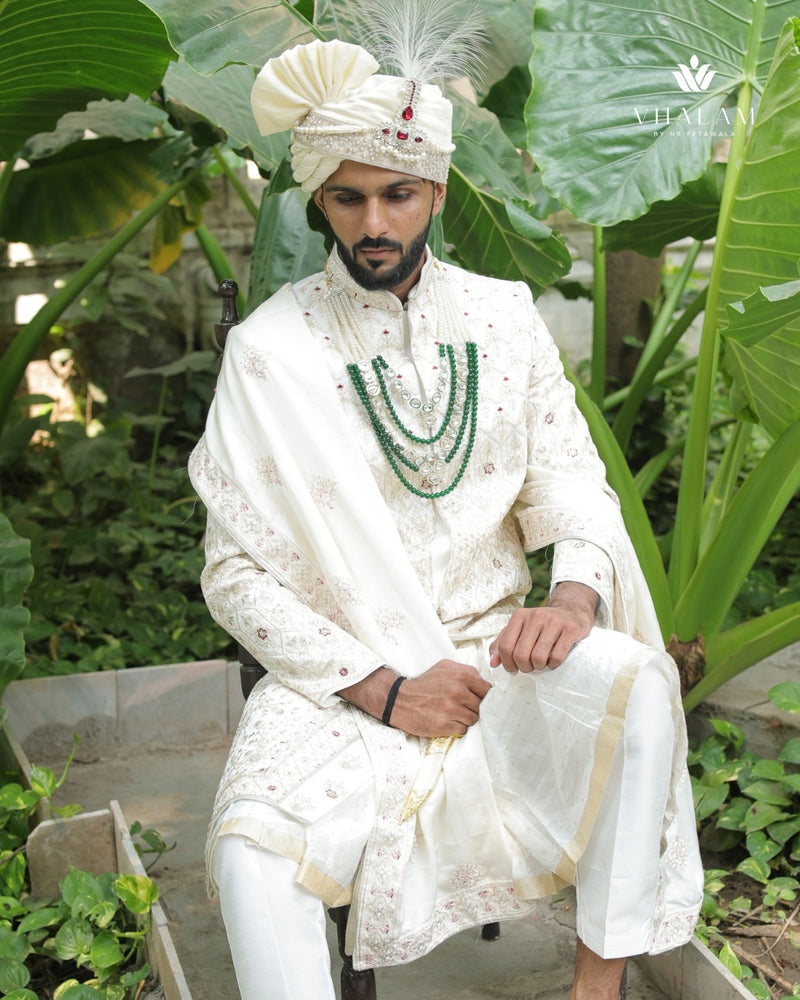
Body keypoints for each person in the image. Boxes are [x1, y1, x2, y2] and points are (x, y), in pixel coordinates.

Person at [188, 31, 703, 1000]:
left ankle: (595, 988)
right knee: (252, 852)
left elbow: (565, 479)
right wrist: (381, 686)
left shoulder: (505, 315)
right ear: (318, 201)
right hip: (339, 673)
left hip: (496, 646)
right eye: (348, 196)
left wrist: (574, 596)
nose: (373, 220)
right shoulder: (270, 349)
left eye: (398, 192)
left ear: (434, 191)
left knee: (635, 682)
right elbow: (235, 574)